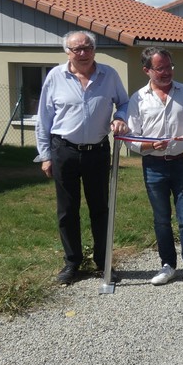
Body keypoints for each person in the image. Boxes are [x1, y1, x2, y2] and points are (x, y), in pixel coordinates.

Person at [35, 30, 129, 285]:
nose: (83, 53)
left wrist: (120, 117)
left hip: (97, 152)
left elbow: (124, 103)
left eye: (88, 48)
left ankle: (103, 262)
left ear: (94, 49)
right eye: (77, 49)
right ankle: (72, 263)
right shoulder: (56, 76)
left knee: (100, 209)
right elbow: (43, 119)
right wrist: (45, 155)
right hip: (63, 150)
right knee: (67, 210)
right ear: (68, 52)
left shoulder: (109, 75)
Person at [126, 47, 183, 290]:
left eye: (169, 67)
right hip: (153, 166)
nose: (166, 72)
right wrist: (149, 144)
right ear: (147, 70)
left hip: (182, 163)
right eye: (160, 68)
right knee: (161, 219)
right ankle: (168, 265)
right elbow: (131, 138)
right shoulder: (138, 98)